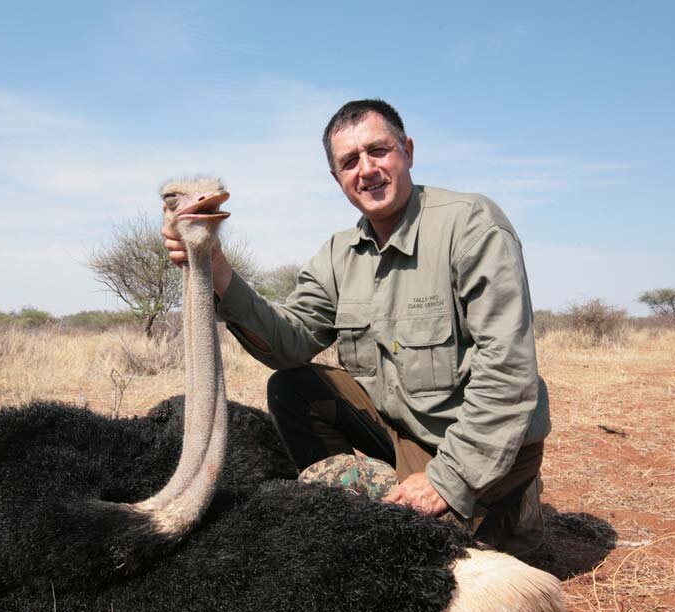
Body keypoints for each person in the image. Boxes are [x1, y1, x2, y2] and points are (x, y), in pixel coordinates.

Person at [162, 99, 550, 554]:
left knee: (413, 558)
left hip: (474, 447)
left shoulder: (471, 226)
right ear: (337, 178)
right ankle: (380, 504)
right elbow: (290, 342)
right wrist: (219, 270)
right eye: (349, 162)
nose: (366, 169)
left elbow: (507, 372)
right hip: (403, 434)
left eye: (378, 151)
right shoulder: (339, 254)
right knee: (295, 386)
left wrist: (449, 481)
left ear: (406, 150)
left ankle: (499, 508)